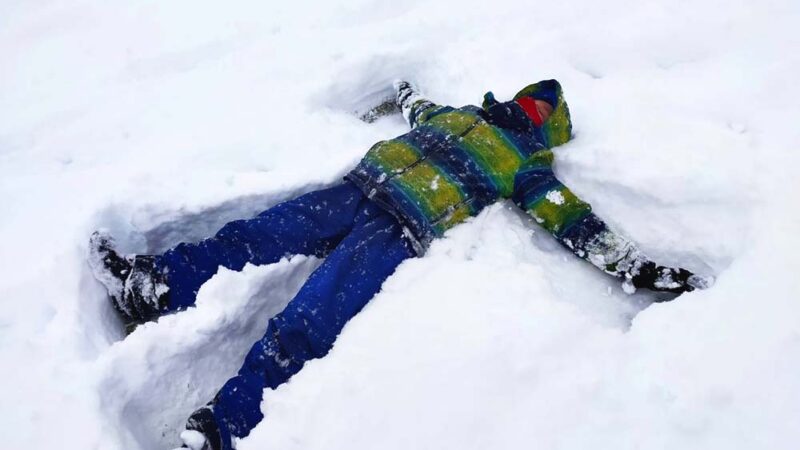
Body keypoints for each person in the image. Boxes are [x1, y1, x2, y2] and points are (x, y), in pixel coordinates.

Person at [89, 79, 712, 450]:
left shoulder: (527, 167)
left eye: (541, 112)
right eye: (530, 100)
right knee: (253, 234)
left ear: (548, 127)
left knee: (309, 322)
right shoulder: (459, 114)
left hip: (396, 230)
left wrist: (635, 268)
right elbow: (417, 106)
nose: (529, 110)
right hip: (356, 187)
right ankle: (153, 286)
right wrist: (404, 90)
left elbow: (573, 220)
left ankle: (222, 426)